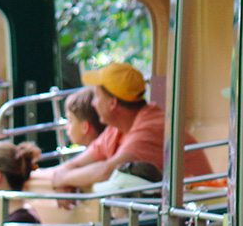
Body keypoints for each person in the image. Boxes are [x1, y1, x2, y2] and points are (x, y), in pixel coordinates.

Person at [42, 62, 210, 191]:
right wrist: (62, 178)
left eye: (96, 97)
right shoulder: (116, 129)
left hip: (199, 210)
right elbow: (77, 164)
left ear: (112, 103)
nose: (93, 104)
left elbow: (108, 171)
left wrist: (63, 180)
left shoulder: (151, 129)